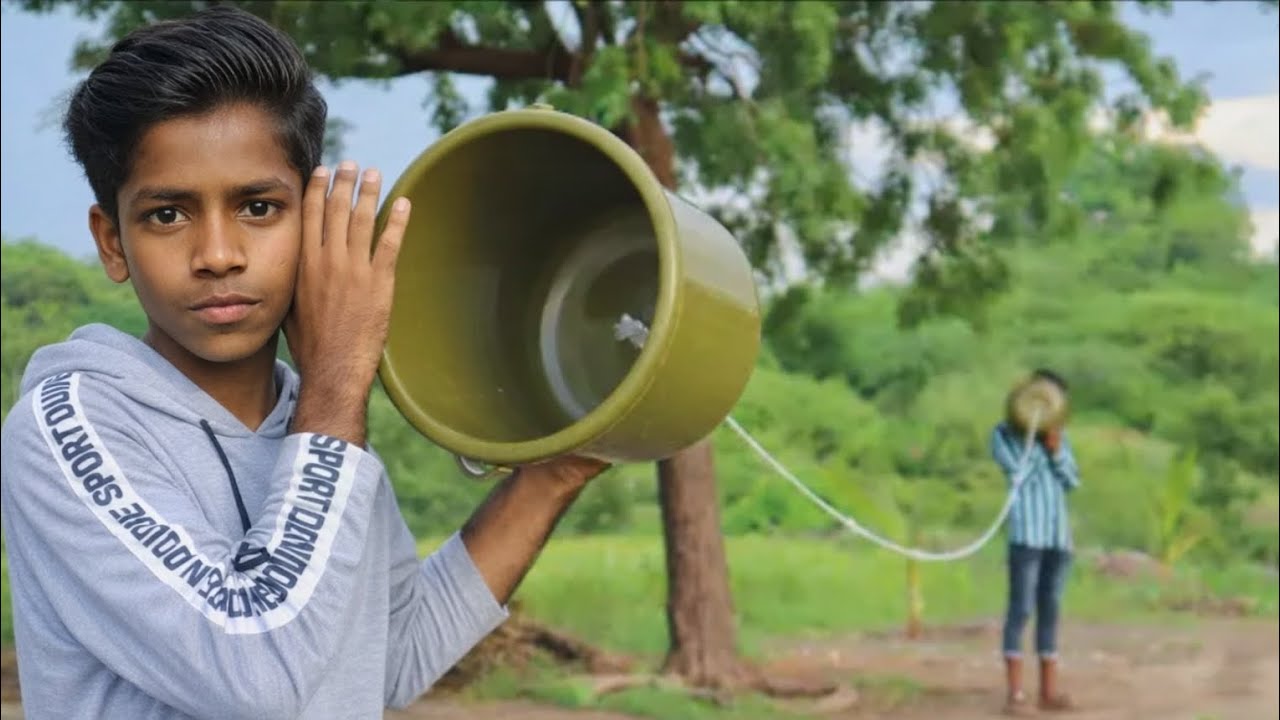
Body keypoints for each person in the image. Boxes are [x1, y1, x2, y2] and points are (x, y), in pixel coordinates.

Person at [0, 7, 610, 719]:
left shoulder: (318, 423)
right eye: (169, 215)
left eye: (258, 207)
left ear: (312, 217)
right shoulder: (71, 424)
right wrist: (338, 384)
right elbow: (255, 676)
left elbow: (387, 657)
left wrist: (559, 471)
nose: (219, 255)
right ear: (112, 242)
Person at [990, 368, 1081, 716]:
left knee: (1051, 609)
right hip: (1026, 535)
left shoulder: (1061, 436)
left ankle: (1049, 692)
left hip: (1057, 537)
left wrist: (1056, 450)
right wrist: (1036, 440)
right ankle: (1015, 696)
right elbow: (1018, 473)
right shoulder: (1002, 435)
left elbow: (1072, 479)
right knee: (1021, 609)